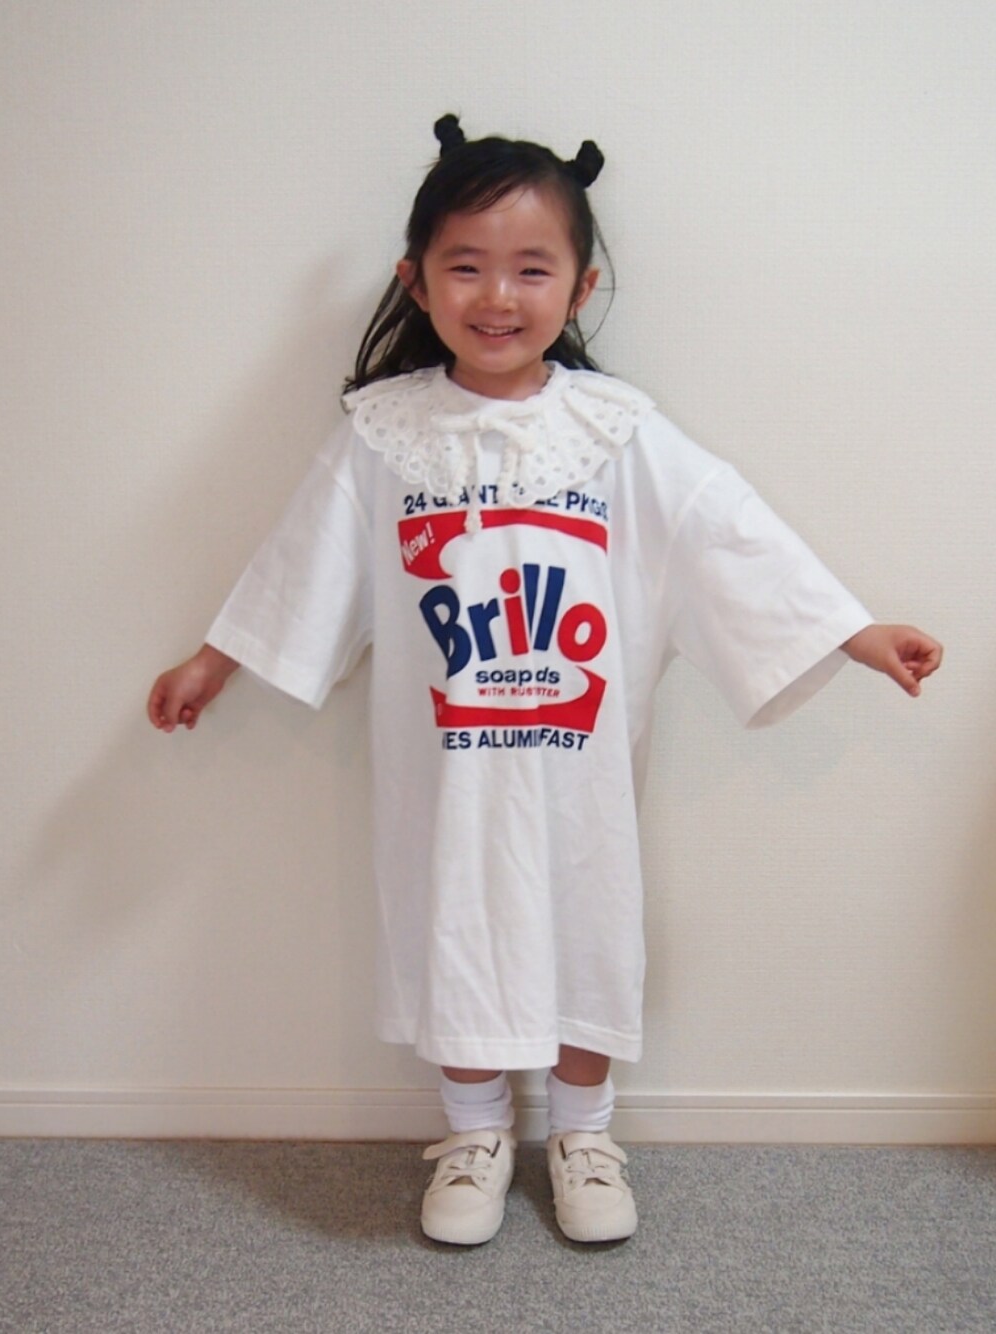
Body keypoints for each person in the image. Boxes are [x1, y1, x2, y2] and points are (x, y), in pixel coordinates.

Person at [147, 115, 943, 1247]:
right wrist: (215, 658)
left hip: (579, 767)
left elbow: (726, 533)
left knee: (586, 922)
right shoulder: (384, 437)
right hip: (445, 766)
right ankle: (474, 1133)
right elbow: (301, 563)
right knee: (453, 919)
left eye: (531, 268)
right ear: (415, 281)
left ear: (580, 288)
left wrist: (853, 630)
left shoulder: (616, 434)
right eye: (465, 266)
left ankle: (583, 1133)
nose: (497, 295)